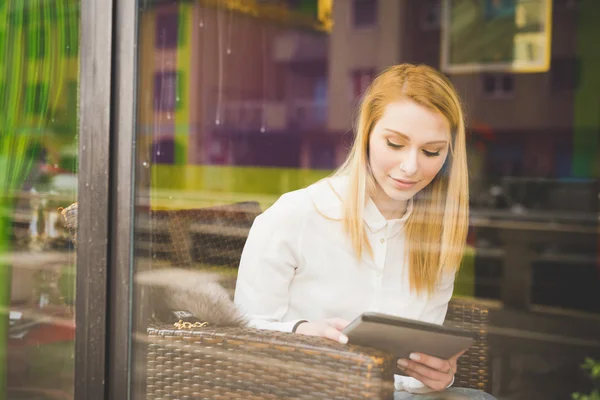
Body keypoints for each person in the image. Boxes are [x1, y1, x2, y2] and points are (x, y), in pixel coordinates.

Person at [234, 64, 496, 399]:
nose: (411, 167)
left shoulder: (438, 236)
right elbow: (239, 338)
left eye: (432, 151)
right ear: (366, 135)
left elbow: (412, 377)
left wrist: (435, 375)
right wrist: (301, 333)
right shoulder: (295, 216)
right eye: (395, 143)